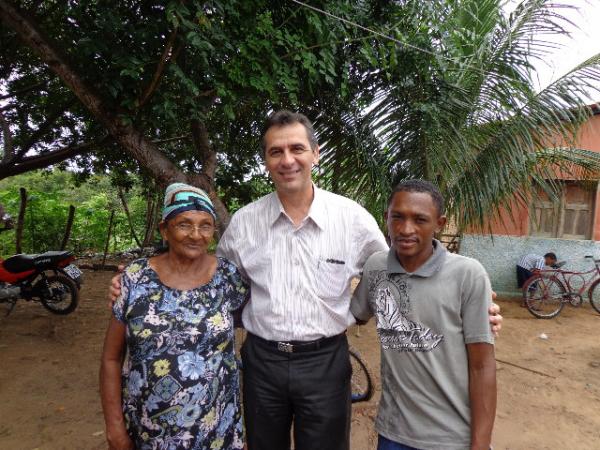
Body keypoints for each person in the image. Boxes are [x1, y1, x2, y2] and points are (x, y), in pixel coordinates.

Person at [109, 110, 503, 450]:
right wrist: (138, 283)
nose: (287, 159)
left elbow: (398, 266)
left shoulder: (352, 220)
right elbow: (210, 278)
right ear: (265, 160)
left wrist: (479, 307)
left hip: (325, 361)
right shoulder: (245, 224)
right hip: (262, 361)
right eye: (275, 151)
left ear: (315, 153)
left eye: (297, 148)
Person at [100, 183, 248, 450]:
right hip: (149, 431)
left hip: (216, 430)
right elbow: (111, 359)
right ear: (164, 230)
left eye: (205, 226)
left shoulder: (228, 276)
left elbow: (259, 316)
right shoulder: (135, 279)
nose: (195, 234)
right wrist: (115, 429)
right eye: (184, 224)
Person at [351, 180, 496, 450]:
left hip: (452, 437)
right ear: (386, 218)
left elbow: (482, 366)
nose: (406, 229)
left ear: (439, 223)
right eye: (398, 217)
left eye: (420, 220)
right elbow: (356, 314)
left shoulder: (468, 274)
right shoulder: (376, 267)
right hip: (394, 432)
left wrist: (481, 444)